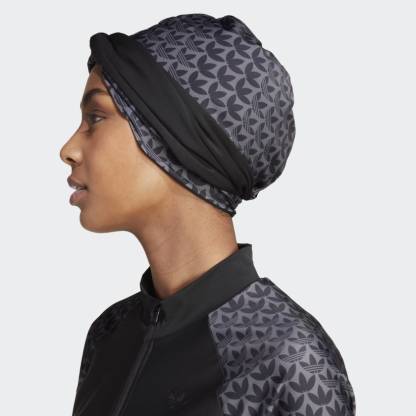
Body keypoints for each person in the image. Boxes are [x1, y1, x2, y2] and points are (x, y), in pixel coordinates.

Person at [60, 13, 356, 416]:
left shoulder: (289, 362)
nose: (68, 149)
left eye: (96, 118)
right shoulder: (109, 334)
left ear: (175, 140)